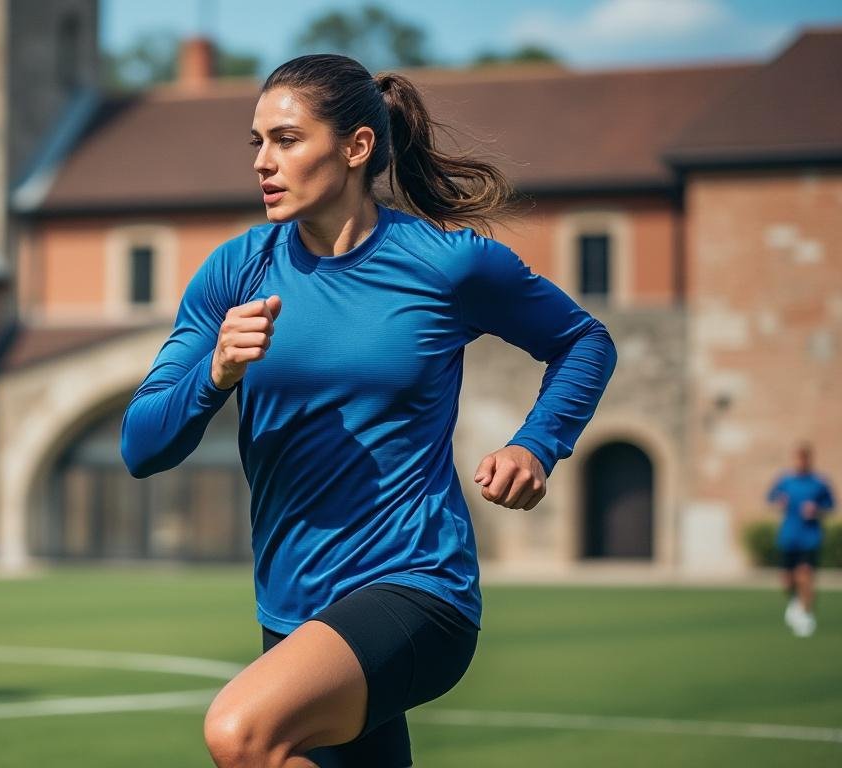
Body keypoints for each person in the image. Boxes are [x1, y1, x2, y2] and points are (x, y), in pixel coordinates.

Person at [121, 54, 617, 768]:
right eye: (256, 142)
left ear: (356, 147)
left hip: (416, 586)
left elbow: (582, 341)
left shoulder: (449, 265)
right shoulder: (234, 272)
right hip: (291, 610)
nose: (263, 161)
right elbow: (142, 447)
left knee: (241, 734)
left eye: (287, 140)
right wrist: (217, 371)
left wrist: (536, 444)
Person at [768, 442, 834, 638]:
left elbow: (831, 506)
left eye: (804, 458)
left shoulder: (819, 483)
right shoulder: (785, 481)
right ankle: (796, 600)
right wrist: (779, 502)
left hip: (810, 537)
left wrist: (817, 510)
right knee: (787, 581)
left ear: (809, 460)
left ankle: (806, 616)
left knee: (805, 575)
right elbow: (771, 499)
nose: (800, 462)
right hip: (788, 537)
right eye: (797, 458)